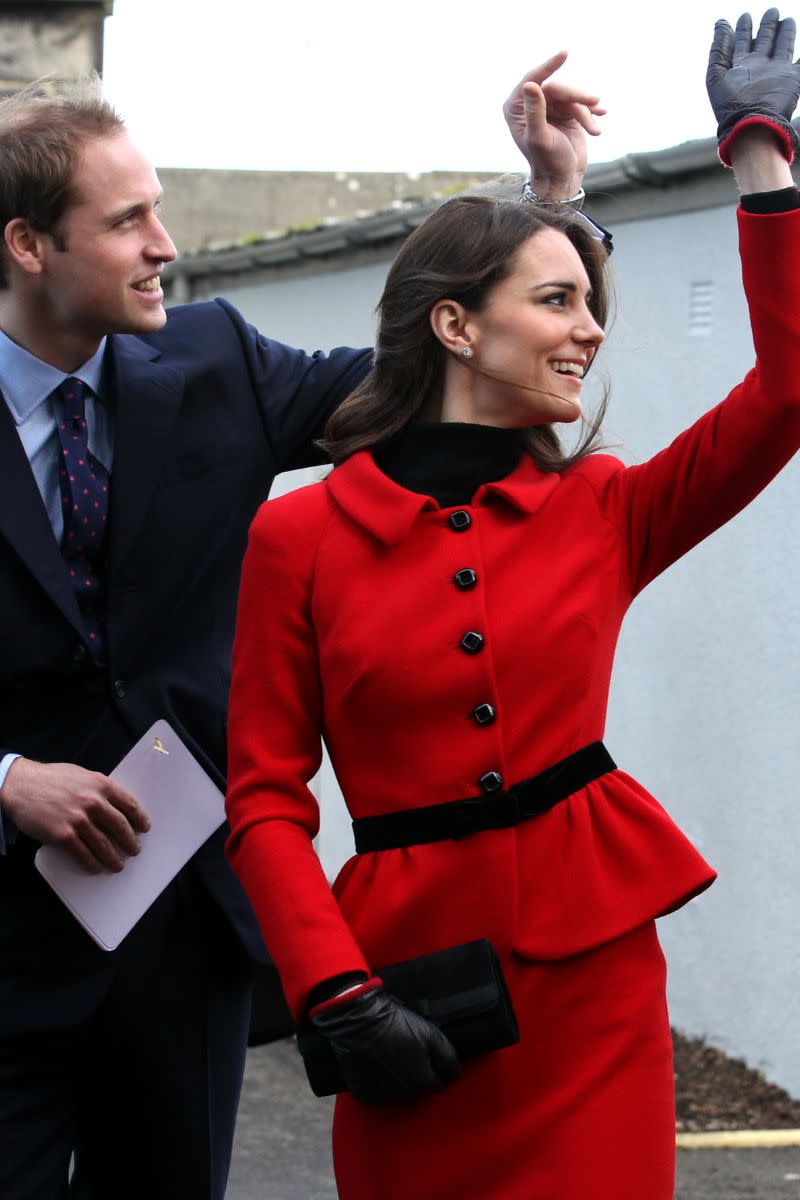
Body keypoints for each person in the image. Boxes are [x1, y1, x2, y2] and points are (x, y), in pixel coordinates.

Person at [0, 53, 599, 1200]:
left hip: (180, 932)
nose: (165, 244)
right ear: (31, 246)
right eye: (128, 221)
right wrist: (9, 776)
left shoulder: (215, 358)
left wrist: (549, 209)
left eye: (160, 210)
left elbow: (428, 374)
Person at [225, 10, 800, 1199]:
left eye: (586, 301)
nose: (590, 328)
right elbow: (266, 800)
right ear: (454, 325)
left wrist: (757, 153)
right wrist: (331, 989)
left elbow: (788, 388)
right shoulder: (297, 537)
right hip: (404, 995)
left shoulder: (604, 507)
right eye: (556, 302)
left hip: (595, 990)